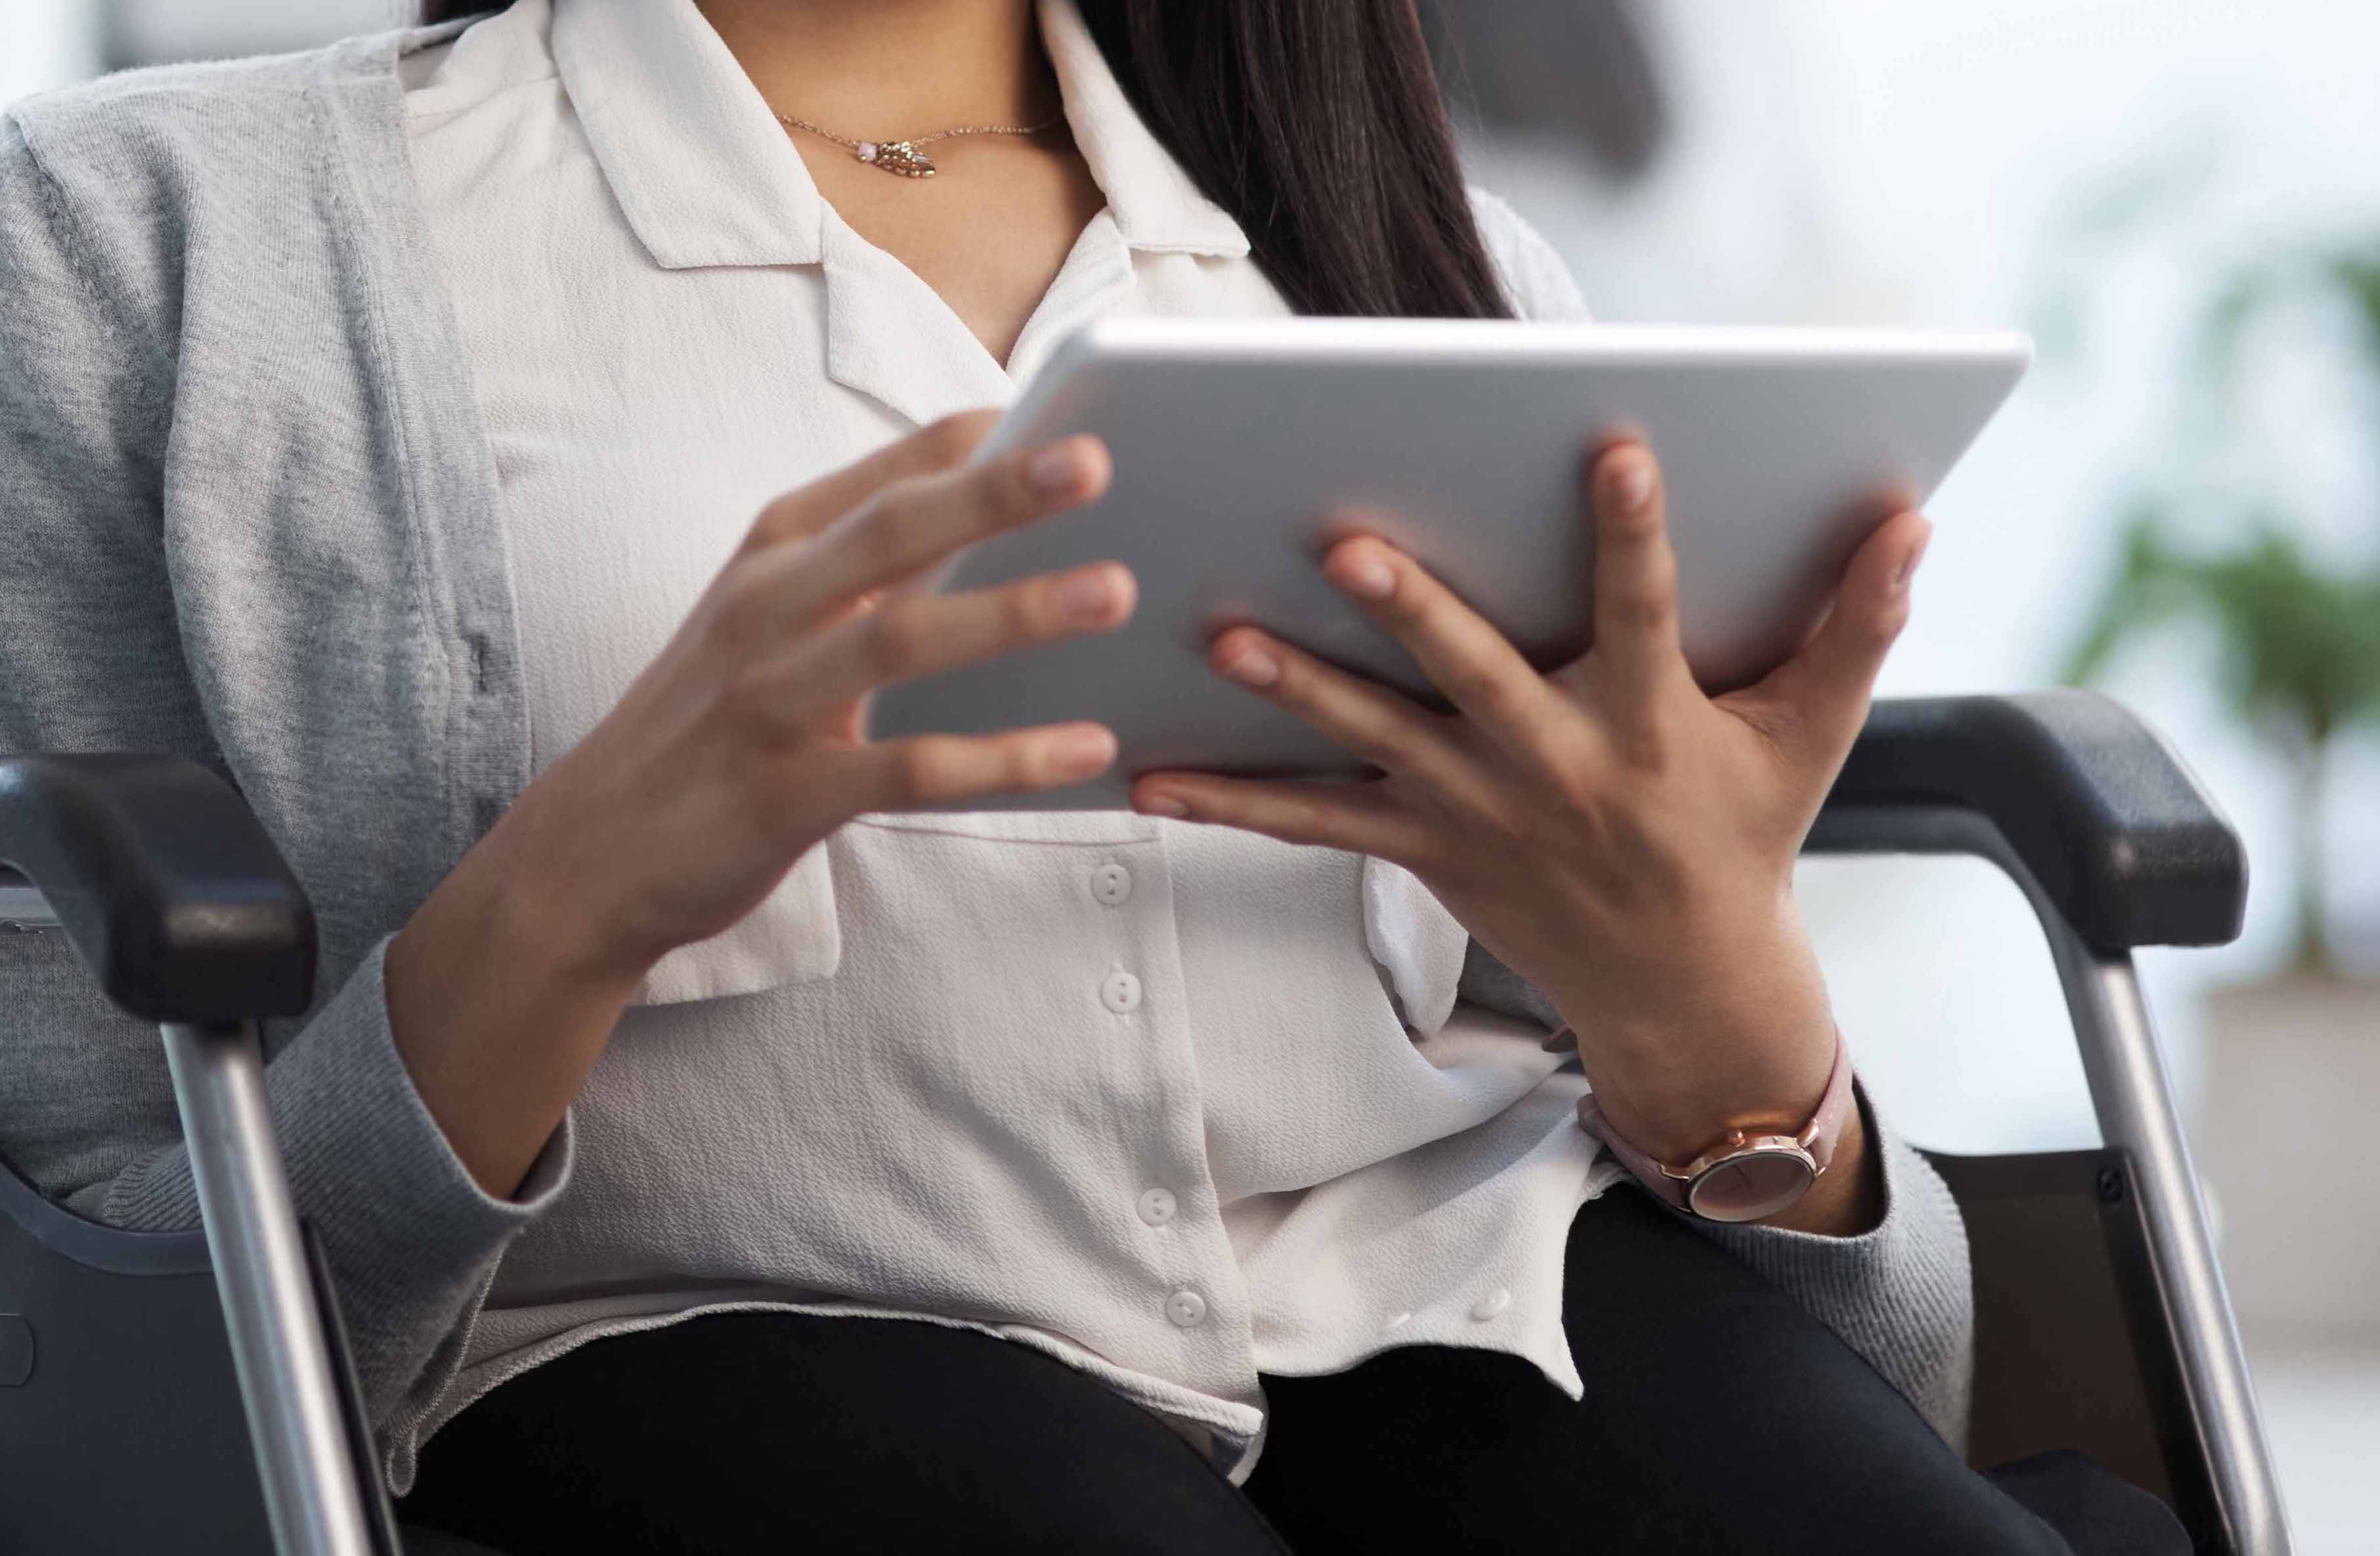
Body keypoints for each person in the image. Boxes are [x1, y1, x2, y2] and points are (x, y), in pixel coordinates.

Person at [0, 0, 2187, 1550]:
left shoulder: (1436, 278)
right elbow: (96, 1337)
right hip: (700, 1350)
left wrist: (1727, 1022)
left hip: (1477, 1305)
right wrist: (573, 883)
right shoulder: (155, 240)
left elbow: (1888, 1369)